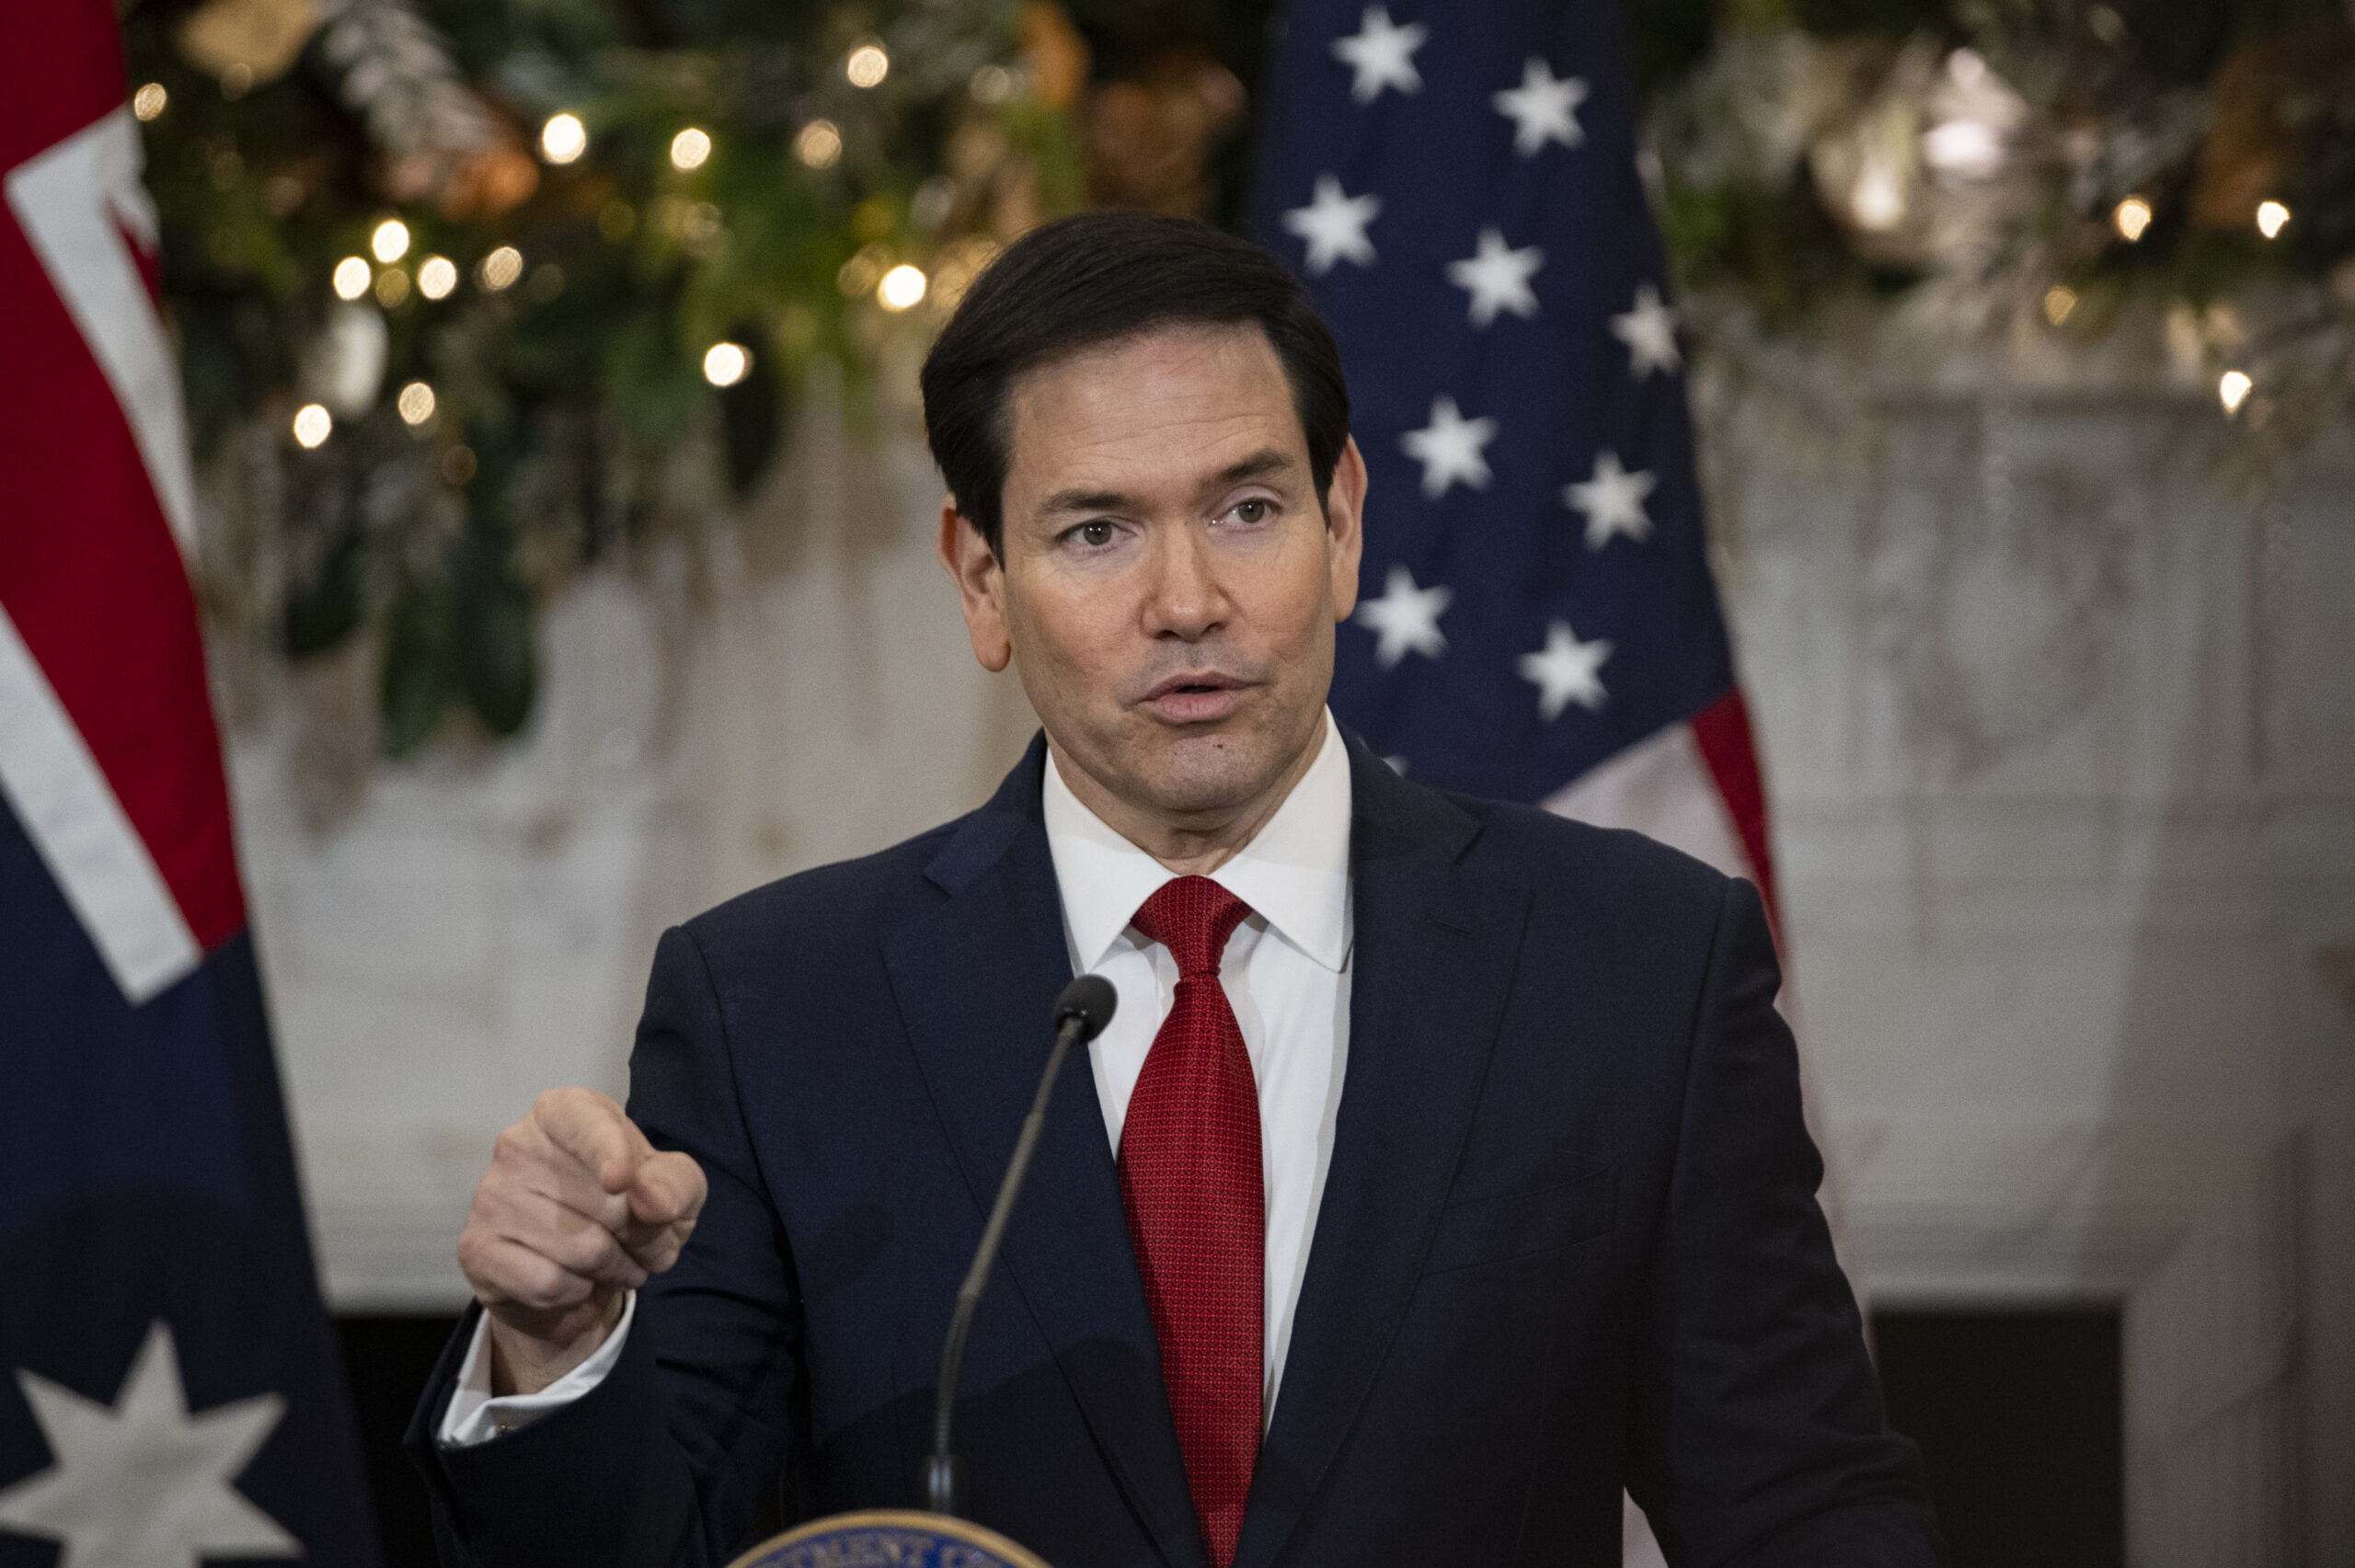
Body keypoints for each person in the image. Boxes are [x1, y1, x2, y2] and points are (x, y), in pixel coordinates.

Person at [404, 210, 1945, 1568]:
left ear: (1344, 524)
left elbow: (1801, 1505)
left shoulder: (1638, 968)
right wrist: (557, 1344)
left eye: (1248, 508)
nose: (1188, 600)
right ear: (982, 581)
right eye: (1096, 530)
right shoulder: (776, 1007)